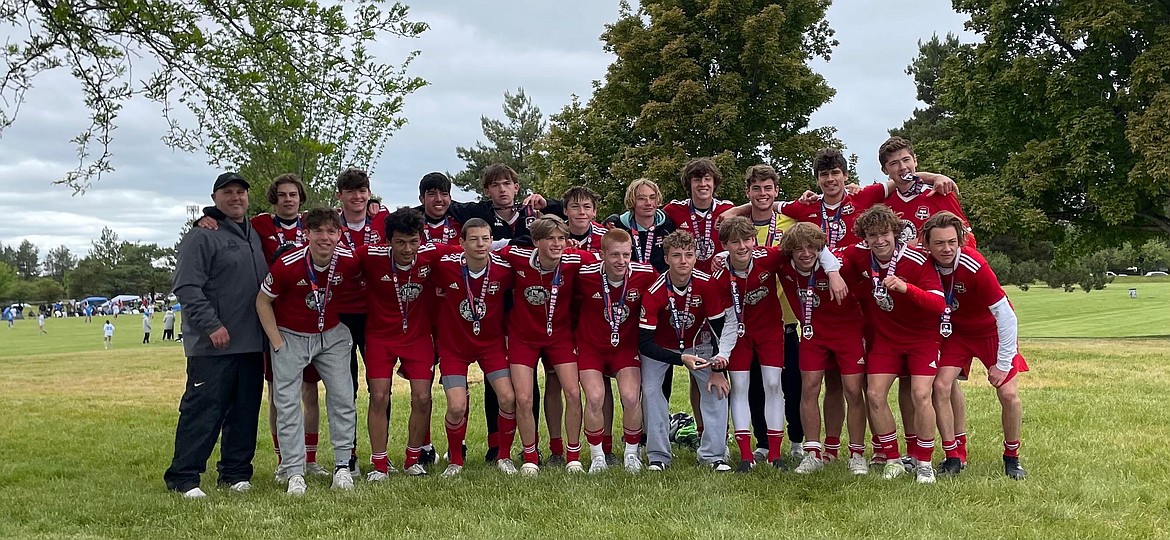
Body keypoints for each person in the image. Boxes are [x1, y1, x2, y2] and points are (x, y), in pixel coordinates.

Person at [195, 173, 331, 479]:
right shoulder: (260, 224)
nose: (287, 200)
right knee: (279, 392)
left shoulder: (311, 222)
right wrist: (204, 218)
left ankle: (309, 459)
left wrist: (376, 205)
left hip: (310, 316)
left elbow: (337, 230)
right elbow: (226, 219)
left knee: (310, 392)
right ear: (273, 198)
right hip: (274, 318)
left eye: (293, 195)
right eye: (281, 195)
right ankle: (285, 460)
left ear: (301, 198)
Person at [163, 172, 267, 498]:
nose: (235, 198)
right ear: (215, 197)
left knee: (244, 411)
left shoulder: (254, 233)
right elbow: (187, 287)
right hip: (213, 344)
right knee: (203, 410)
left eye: (241, 192)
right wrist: (211, 325)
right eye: (228, 193)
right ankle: (185, 477)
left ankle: (235, 473)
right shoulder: (202, 236)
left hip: (251, 342)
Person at [713, 217, 844, 472]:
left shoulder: (768, 256)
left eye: (746, 240)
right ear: (725, 245)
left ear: (754, 240)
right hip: (739, 335)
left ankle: (775, 454)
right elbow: (728, 318)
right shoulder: (719, 275)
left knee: (774, 386)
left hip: (771, 332)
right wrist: (723, 352)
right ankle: (745, 455)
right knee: (740, 388)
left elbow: (814, 245)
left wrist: (833, 272)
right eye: (734, 242)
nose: (742, 247)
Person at [256, 208, 362, 495]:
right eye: (318, 231)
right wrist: (277, 341)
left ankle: (342, 466)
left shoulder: (349, 261)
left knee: (342, 396)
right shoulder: (288, 264)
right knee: (287, 401)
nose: (325, 238)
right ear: (307, 233)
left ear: (340, 235)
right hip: (291, 335)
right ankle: (293, 471)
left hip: (331, 334)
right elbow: (262, 301)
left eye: (331, 232)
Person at [837, 204, 946, 483]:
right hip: (886, 340)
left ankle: (923, 462)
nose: (879, 240)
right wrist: (833, 272)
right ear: (865, 238)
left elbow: (938, 303)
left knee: (921, 395)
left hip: (922, 338)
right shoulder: (861, 256)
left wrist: (906, 288)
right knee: (874, 394)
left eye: (885, 233)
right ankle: (893, 458)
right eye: (872, 235)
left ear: (895, 233)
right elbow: (830, 254)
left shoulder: (917, 260)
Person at [922, 212, 1029, 479]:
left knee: (1008, 394)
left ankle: (1012, 457)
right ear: (927, 244)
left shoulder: (974, 264)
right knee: (940, 385)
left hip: (990, 330)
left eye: (951, 242)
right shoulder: (925, 264)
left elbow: (1006, 315)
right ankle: (953, 454)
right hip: (957, 333)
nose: (946, 249)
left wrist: (1002, 365)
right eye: (939, 243)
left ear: (960, 241)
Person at [497, 216, 592, 475]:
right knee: (524, 398)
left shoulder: (575, 260)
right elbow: (488, 250)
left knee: (573, 393)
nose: (557, 244)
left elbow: (607, 263)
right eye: (550, 238)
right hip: (523, 338)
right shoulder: (517, 257)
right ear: (536, 241)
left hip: (560, 337)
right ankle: (530, 456)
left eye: (561, 238)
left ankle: (572, 455)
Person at [638, 230, 738, 472]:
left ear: (695, 258)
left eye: (689, 255)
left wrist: (716, 368)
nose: (683, 261)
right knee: (651, 392)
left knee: (717, 389)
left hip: (699, 343)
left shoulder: (706, 283)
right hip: (660, 347)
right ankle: (658, 456)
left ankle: (713, 455)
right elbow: (645, 343)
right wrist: (679, 358)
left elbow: (718, 329)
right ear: (666, 258)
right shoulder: (655, 291)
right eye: (677, 255)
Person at [776, 223, 870, 475]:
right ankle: (813, 452)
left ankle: (857, 452)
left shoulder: (841, 266)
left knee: (852, 390)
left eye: (812, 248)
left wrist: (833, 271)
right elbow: (756, 254)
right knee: (809, 387)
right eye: (799, 249)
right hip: (813, 333)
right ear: (790, 252)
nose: (805, 253)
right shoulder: (783, 265)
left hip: (847, 333)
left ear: (821, 248)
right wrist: (720, 257)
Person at [427, 218, 519, 478]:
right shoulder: (445, 267)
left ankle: (504, 456)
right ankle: (455, 460)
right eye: (474, 239)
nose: (480, 244)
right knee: (456, 406)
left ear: (492, 240)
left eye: (485, 238)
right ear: (462, 243)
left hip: (491, 345)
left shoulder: (503, 269)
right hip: (454, 347)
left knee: (508, 398)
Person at [357, 207, 443, 478]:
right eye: (400, 242)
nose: (408, 249)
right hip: (380, 337)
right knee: (379, 396)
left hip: (417, 338)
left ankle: (413, 458)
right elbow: (335, 260)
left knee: (422, 396)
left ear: (422, 238)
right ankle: (380, 464)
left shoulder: (432, 254)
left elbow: (479, 247)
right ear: (388, 241)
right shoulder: (369, 255)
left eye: (413, 241)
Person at [574, 228, 658, 472]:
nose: (621, 261)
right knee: (595, 397)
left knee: (632, 397)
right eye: (614, 255)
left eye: (626, 254)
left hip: (625, 347)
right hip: (591, 346)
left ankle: (632, 452)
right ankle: (598, 455)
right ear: (602, 254)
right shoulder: (585, 274)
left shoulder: (644, 273)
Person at [740, 164, 808, 463]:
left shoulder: (791, 221)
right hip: (751, 319)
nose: (762, 194)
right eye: (756, 188)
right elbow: (722, 221)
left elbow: (819, 217)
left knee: (792, 384)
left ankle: (796, 439)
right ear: (748, 192)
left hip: (786, 318)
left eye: (768, 188)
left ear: (776, 191)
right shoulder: (741, 226)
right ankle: (763, 441)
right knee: (755, 386)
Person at [333, 167, 387, 475]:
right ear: (340, 195)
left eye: (362, 190)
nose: (357, 196)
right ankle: (348, 452)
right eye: (351, 191)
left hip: (376, 314)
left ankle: (380, 453)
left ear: (369, 193)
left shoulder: (382, 221)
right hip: (341, 314)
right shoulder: (330, 225)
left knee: (379, 386)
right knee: (345, 387)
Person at [611, 178, 676, 272]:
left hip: (662, 283)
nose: (648, 203)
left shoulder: (668, 225)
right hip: (629, 283)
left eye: (652, 197)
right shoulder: (618, 227)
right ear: (632, 201)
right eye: (641, 198)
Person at [415, 172, 461, 245]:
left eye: (444, 194)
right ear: (422, 199)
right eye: (431, 194)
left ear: (450, 198)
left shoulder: (461, 224)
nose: (439, 199)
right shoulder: (411, 226)